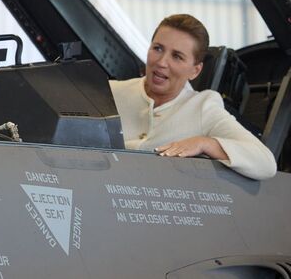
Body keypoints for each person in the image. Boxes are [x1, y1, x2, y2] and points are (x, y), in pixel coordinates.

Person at [110, 14, 276, 180]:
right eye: (158, 48)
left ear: (195, 71)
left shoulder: (203, 107)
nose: (161, 62)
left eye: (177, 56)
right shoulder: (110, 91)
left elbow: (265, 163)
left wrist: (205, 144)